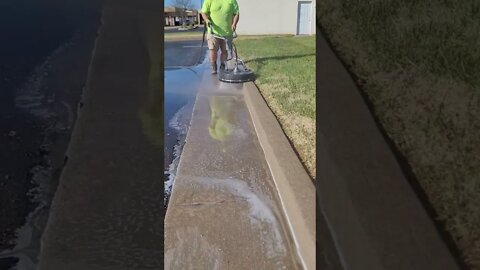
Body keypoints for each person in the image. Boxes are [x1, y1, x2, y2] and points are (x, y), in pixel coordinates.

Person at [200, 0, 239, 74]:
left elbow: (236, 13)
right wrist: (207, 20)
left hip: (227, 32)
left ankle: (223, 65)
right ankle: (214, 66)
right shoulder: (209, 0)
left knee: (225, 51)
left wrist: (234, 24)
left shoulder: (232, 1)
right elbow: (203, 12)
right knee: (213, 50)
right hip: (213, 32)